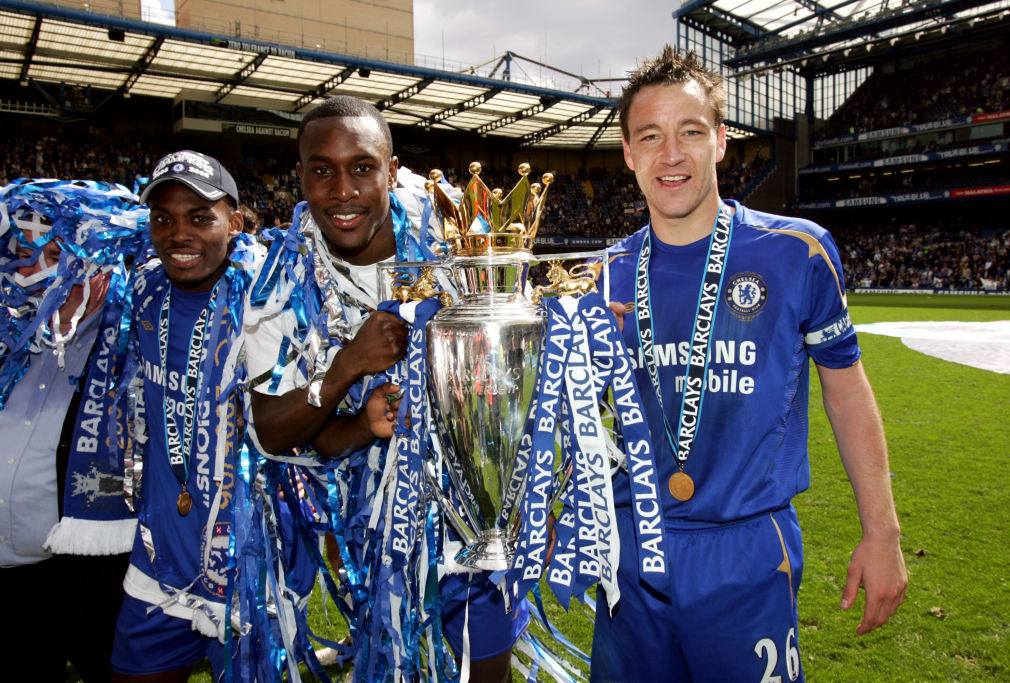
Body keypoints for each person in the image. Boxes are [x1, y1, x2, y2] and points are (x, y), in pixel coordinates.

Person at [595, 47, 907, 682]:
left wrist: (883, 533)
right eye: (650, 136)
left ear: (721, 143)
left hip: (746, 549)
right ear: (628, 153)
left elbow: (846, 392)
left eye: (691, 131)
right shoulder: (604, 276)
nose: (671, 154)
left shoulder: (795, 252)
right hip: (627, 554)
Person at [244, 95, 529, 682]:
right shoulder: (282, 277)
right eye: (322, 170)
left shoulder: (452, 232)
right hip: (369, 528)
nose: (342, 189)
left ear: (393, 171)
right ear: (300, 177)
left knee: (487, 666)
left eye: (363, 167)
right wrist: (347, 365)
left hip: (471, 504)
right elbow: (273, 430)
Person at [109, 150, 284, 681]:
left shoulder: (270, 302)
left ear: (234, 222)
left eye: (199, 217)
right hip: (159, 560)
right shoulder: (141, 293)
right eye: (163, 218)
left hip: (250, 566)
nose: (178, 233)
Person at [0, 180, 147, 682]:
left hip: (92, 573)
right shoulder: (7, 331)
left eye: (50, 252)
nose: (27, 267)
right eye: (20, 251)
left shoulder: (133, 344)